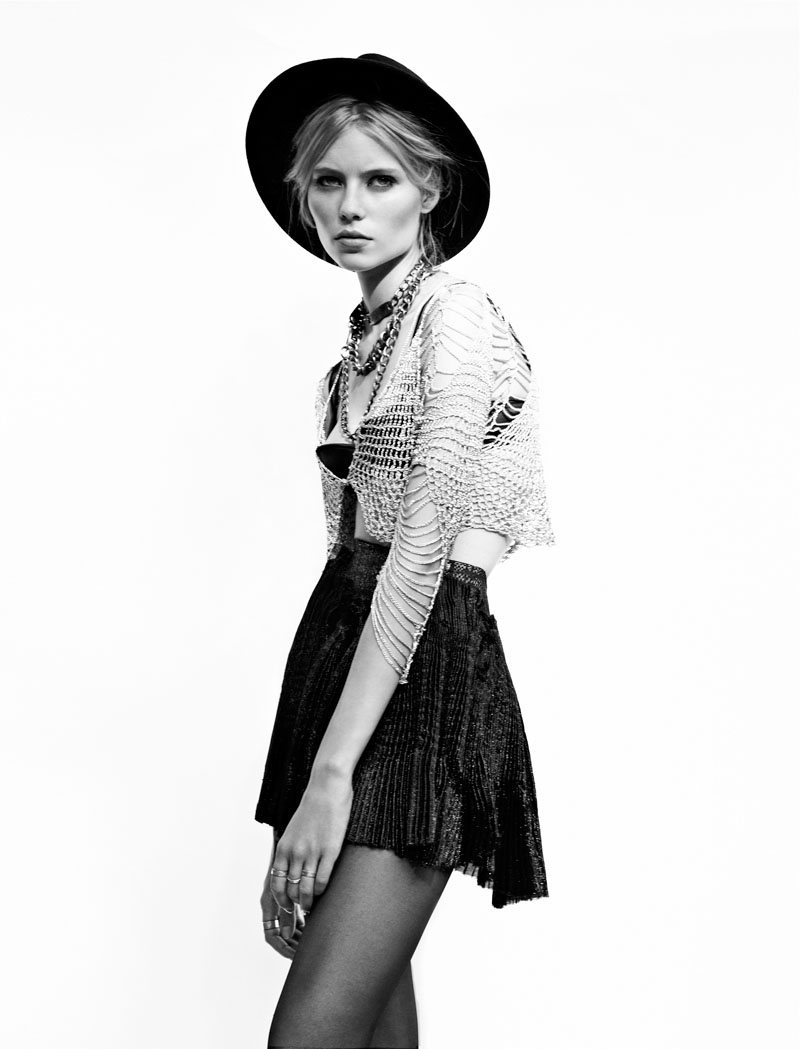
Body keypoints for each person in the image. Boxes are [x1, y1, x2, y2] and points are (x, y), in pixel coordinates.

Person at [244, 53, 556, 1049]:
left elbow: (421, 553)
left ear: (429, 189)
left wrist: (329, 775)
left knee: (309, 1035)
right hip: (340, 660)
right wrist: (318, 754)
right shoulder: (348, 360)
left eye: (379, 179)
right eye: (327, 181)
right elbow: (348, 554)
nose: (349, 206)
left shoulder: (453, 315)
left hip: (425, 669)